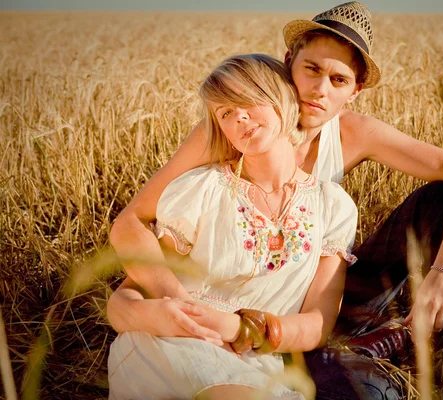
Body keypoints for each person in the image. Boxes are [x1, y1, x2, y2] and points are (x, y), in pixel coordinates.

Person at [107, 2, 443, 398]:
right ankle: (360, 354)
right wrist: (182, 307)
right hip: (239, 301)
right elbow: (132, 223)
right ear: (288, 60)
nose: (319, 90)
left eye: (338, 80)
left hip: (316, 292)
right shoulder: (239, 126)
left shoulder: (351, 136)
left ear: (355, 91)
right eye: (311, 69)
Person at [107, 53, 359, 399]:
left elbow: (318, 322)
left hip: (260, 360)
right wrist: (176, 315)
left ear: (281, 100)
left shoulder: (334, 207)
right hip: (175, 345)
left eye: (248, 101)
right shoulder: (201, 190)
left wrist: (241, 329)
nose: (239, 116)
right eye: (225, 112)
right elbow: (134, 289)